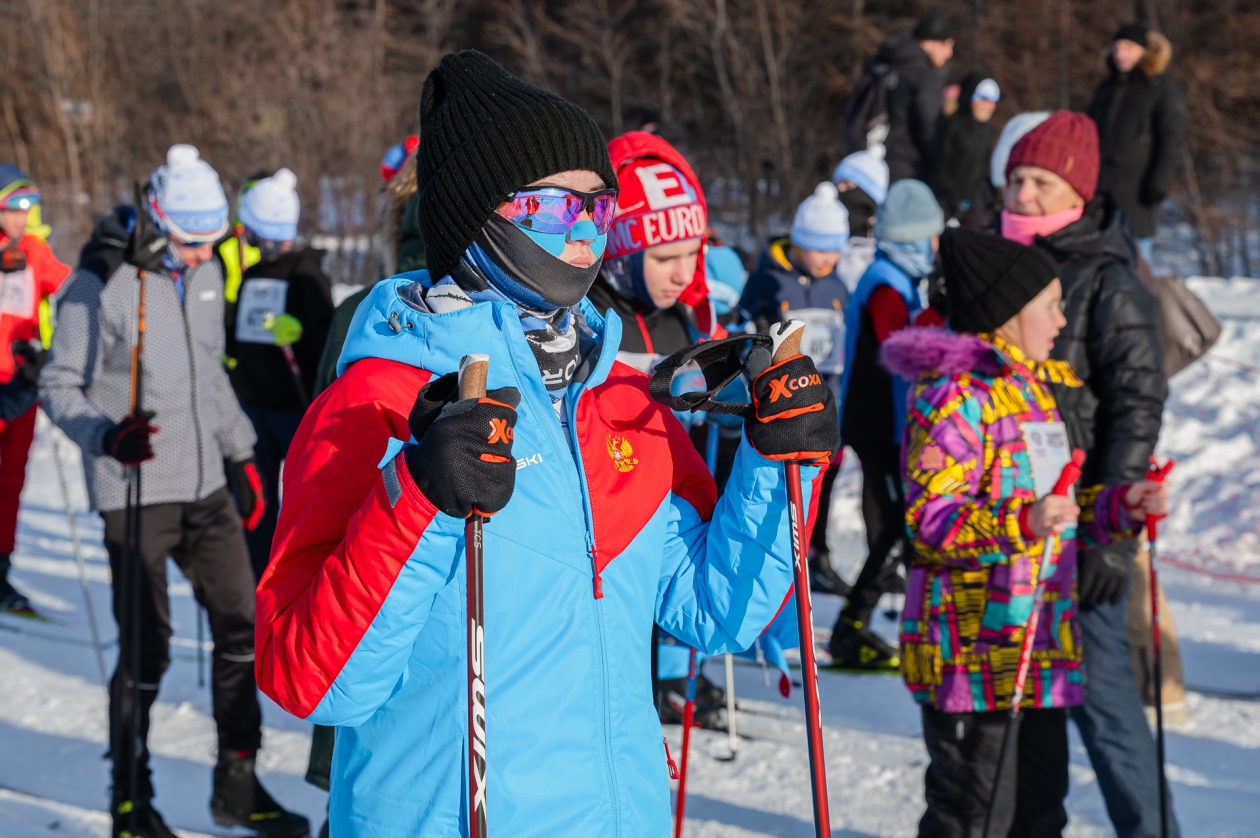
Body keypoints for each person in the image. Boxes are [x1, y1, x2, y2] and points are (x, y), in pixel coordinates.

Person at [254, 50, 838, 837]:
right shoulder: (377, 402)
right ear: (472, 214)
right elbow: (311, 683)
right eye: (549, 209)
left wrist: (778, 459)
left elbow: (713, 609)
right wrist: (416, 499)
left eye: (597, 210)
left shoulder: (621, 396)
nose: (580, 237)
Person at [40, 145, 308, 838]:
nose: (199, 255)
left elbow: (209, 377)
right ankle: (131, 797)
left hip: (205, 486)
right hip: (134, 485)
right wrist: (105, 436)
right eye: (189, 243)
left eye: (210, 242)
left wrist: (244, 456)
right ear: (157, 221)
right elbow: (56, 385)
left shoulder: (207, 273)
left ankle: (238, 784)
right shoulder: (95, 287)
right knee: (149, 645)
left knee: (243, 627)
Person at [884, 227, 1168, 837]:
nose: (1063, 321)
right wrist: (1021, 522)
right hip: (972, 653)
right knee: (976, 817)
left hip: (1037, 647)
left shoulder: (1034, 391)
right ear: (1008, 314)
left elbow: (1053, 504)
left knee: (1040, 814)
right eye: (1051, 306)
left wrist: (1120, 505)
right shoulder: (953, 397)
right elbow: (931, 523)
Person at [1000, 110, 1178, 837]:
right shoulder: (995, 267)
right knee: (1020, 709)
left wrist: (1112, 533)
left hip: (1083, 530)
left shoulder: (1109, 281)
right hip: (1010, 525)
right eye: (1015, 178)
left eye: (1041, 181)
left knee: (1103, 704)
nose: (1023, 194)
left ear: (1075, 189)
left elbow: (1137, 406)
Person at [583, 129, 730, 728]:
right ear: (619, 251)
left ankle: (673, 676)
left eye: (691, 256)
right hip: (609, 500)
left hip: (671, 497)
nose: (681, 273)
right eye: (664, 258)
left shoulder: (680, 322)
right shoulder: (593, 314)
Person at [829, 178, 943, 670]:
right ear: (913, 238)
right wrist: (942, 318)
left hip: (885, 420)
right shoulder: (885, 285)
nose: (936, 248)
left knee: (900, 524)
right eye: (931, 238)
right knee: (899, 525)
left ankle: (903, 619)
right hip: (878, 422)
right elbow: (903, 347)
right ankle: (852, 626)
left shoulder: (894, 278)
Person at [219, 168, 334, 579]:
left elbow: (325, 342)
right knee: (256, 499)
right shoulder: (251, 275)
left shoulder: (304, 273)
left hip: (294, 408)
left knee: (302, 498)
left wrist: (299, 334)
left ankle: (297, 574)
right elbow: (236, 339)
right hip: (252, 407)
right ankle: (256, 577)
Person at [741, 182, 850, 596]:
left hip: (825, 402)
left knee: (823, 480)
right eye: (819, 248)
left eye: (834, 249)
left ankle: (816, 553)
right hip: (782, 403)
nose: (828, 258)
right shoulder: (770, 279)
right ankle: (772, 559)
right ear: (800, 242)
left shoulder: (838, 286)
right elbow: (745, 327)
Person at [0, 165, 71, 614]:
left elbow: (70, 288)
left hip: (21, 386)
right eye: (14, 207)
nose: (23, 216)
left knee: (11, 483)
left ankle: (1, 571)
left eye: (29, 206)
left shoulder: (34, 249)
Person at [1087, 25, 1185, 264]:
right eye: (1117, 47)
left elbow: (1171, 139)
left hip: (1139, 188)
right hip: (1100, 185)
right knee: (1096, 250)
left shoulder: (1161, 89)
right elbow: (1088, 133)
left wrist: (1158, 183)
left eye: (1128, 47)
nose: (1121, 53)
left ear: (1144, 52)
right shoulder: (1106, 87)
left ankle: (1140, 297)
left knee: (1137, 255)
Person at [858, 10, 954, 184]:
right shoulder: (923, 76)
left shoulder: (879, 63)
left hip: (865, 161)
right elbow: (931, 129)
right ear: (929, 43)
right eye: (945, 45)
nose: (949, 53)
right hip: (906, 169)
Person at [938, 75, 1001, 229]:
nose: (989, 106)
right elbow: (938, 164)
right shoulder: (950, 125)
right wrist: (952, 198)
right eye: (983, 98)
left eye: (994, 100)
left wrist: (992, 195)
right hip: (944, 200)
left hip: (974, 201)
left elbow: (983, 166)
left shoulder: (986, 129)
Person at [832, 143, 890, 291]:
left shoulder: (886, 238)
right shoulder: (829, 228)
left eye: (848, 185)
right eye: (838, 184)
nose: (840, 190)